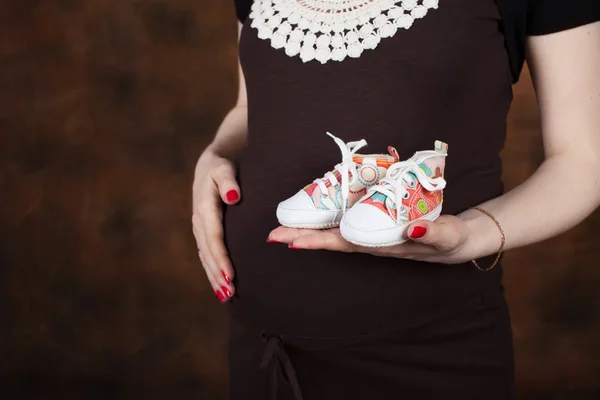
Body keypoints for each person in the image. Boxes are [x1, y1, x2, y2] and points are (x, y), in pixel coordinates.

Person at [192, 0, 600, 398]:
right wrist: (214, 155)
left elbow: (582, 162)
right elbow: (252, 106)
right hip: (262, 348)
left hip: (426, 358)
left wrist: (473, 235)